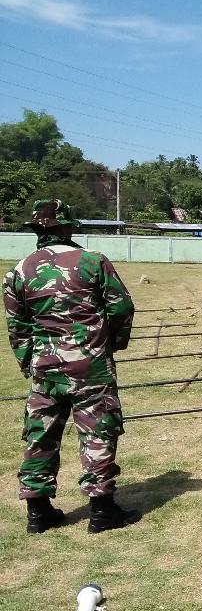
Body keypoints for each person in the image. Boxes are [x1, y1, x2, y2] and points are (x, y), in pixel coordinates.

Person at [3, 200, 139, 534]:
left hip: (44, 367)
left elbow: (17, 326)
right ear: (67, 227)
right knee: (98, 431)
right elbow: (122, 307)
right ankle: (102, 511)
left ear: (37, 229)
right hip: (90, 365)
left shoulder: (19, 270)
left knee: (41, 434)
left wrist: (29, 363)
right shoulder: (93, 262)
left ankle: (38, 511)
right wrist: (110, 344)